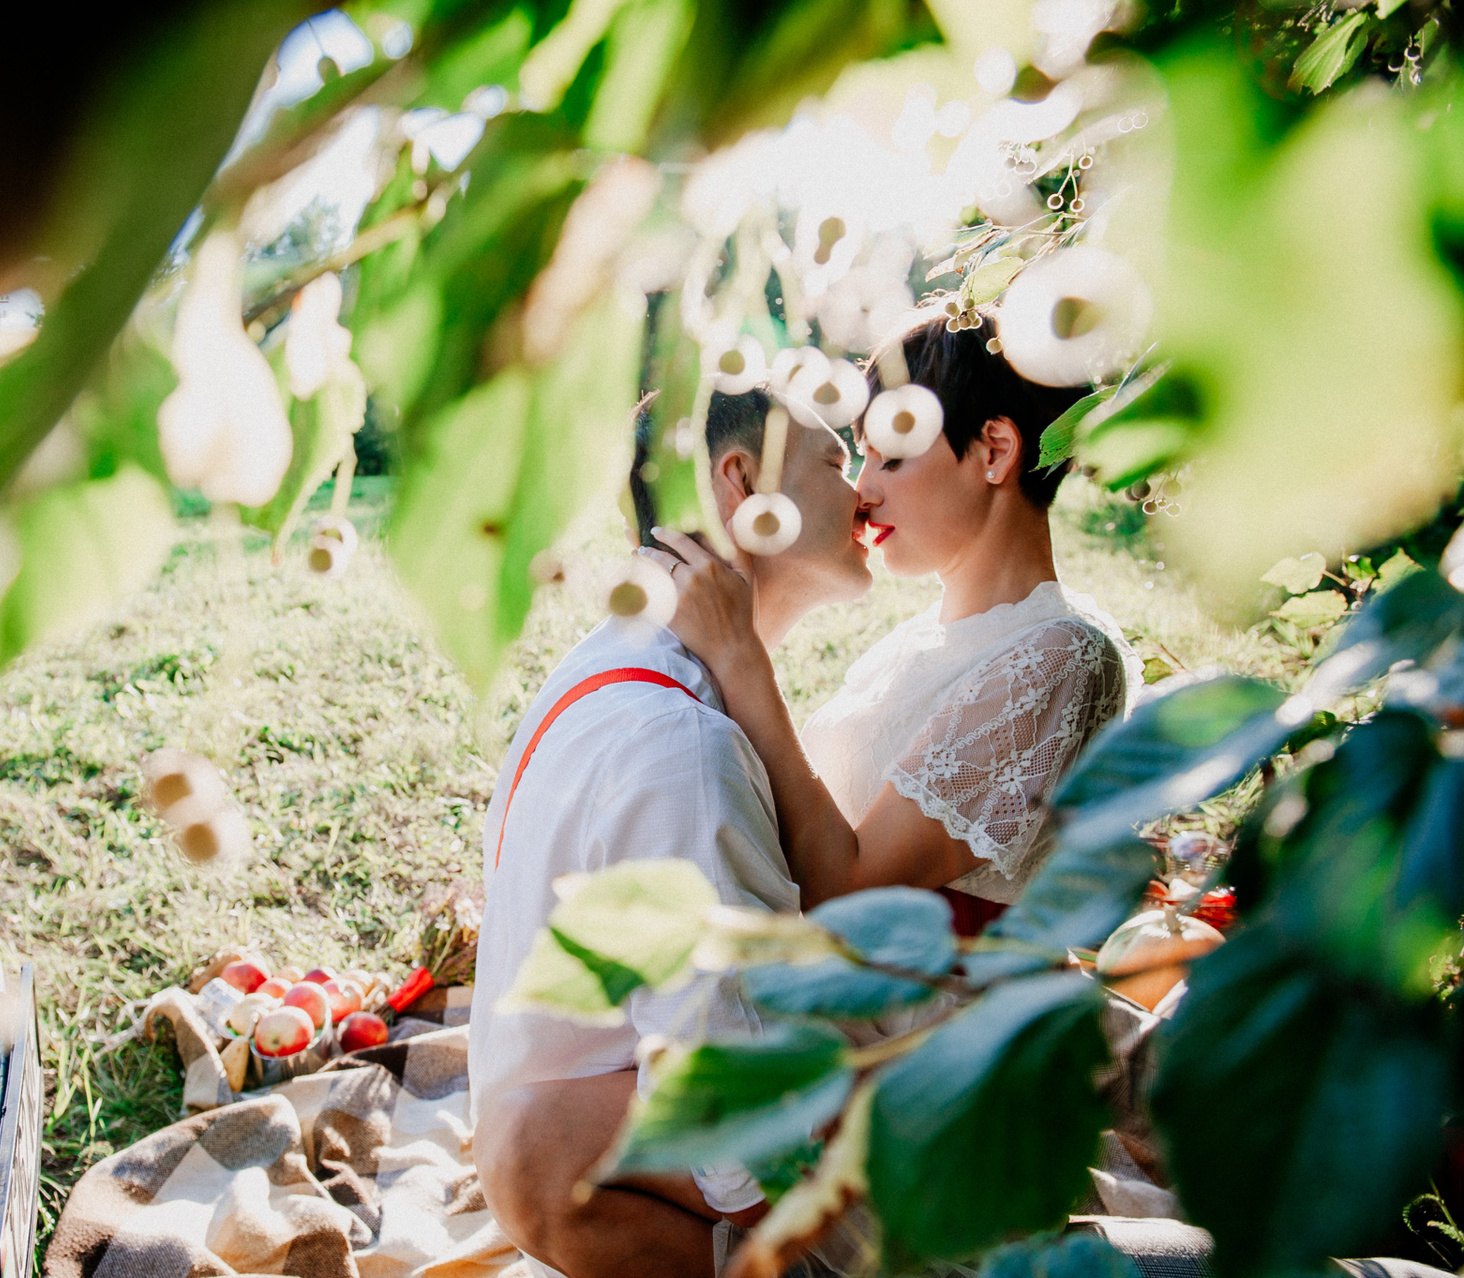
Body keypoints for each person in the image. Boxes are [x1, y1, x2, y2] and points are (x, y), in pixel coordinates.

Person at [470, 388, 873, 1278]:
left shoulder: (615, 660)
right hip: (611, 1153)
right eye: (838, 462)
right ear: (741, 484)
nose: (865, 493)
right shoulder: (679, 741)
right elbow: (743, 1125)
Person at [646, 309, 1142, 929]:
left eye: (891, 460)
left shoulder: (1061, 656)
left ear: (994, 451)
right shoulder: (915, 643)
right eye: (863, 460)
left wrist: (740, 657)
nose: (864, 491)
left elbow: (848, 889)